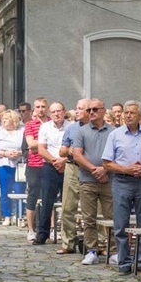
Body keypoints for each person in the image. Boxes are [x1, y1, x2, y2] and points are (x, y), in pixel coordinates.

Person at [102, 100, 141, 273]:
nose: (128, 115)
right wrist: (126, 169)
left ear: (140, 116)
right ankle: (123, 261)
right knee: (120, 223)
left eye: (132, 113)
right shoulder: (115, 135)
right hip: (122, 181)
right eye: (126, 112)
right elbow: (107, 163)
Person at [73, 99, 115, 266]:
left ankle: (113, 250)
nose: (91, 112)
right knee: (88, 217)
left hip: (109, 179)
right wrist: (95, 170)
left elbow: (118, 154)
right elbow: (77, 155)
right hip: (87, 179)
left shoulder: (114, 131)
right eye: (89, 110)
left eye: (95, 109)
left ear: (104, 111)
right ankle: (92, 250)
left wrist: (104, 169)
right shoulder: (81, 131)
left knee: (112, 217)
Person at [57, 99, 90, 254]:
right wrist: (69, 150)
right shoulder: (71, 128)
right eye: (76, 108)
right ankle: (67, 243)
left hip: (91, 169)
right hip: (72, 167)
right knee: (67, 207)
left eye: (80, 109)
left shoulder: (96, 128)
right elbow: (61, 151)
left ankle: (98, 244)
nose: (77, 111)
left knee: (93, 210)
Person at [35, 101, 70, 245]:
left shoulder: (72, 127)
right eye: (53, 111)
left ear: (64, 112)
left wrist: (63, 161)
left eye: (59, 111)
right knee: (47, 201)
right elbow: (41, 149)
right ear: (50, 113)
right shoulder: (45, 127)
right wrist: (55, 161)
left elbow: (77, 148)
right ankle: (42, 234)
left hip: (68, 165)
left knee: (68, 202)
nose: (56, 114)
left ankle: (68, 235)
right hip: (50, 166)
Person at [23, 98, 49, 241]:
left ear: (47, 107)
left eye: (43, 106)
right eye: (38, 107)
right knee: (32, 196)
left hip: (50, 163)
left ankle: (50, 228)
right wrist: (46, 142)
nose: (40, 109)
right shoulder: (30, 124)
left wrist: (37, 144)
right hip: (34, 164)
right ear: (34, 108)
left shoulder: (52, 123)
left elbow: (35, 144)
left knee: (50, 196)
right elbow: (30, 143)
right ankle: (31, 229)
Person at [0, 110, 25, 226]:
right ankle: (7, 215)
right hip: (3, 162)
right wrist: (5, 154)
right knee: (5, 190)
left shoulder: (22, 131)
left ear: (13, 120)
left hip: (19, 164)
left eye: (6, 118)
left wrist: (19, 153)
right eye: (3, 118)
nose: (3, 120)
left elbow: (26, 148)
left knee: (20, 189)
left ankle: (20, 216)